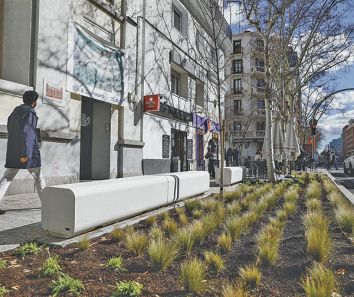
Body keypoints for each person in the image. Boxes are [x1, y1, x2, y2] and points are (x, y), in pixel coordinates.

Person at [0, 91, 46, 215]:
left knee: (7, 176)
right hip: (28, 151)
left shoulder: (15, 112)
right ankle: (47, 205)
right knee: (38, 177)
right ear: (34, 102)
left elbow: (12, 129)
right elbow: (28, 133)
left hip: (14, 149)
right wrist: (26, 153)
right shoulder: (30, 113)